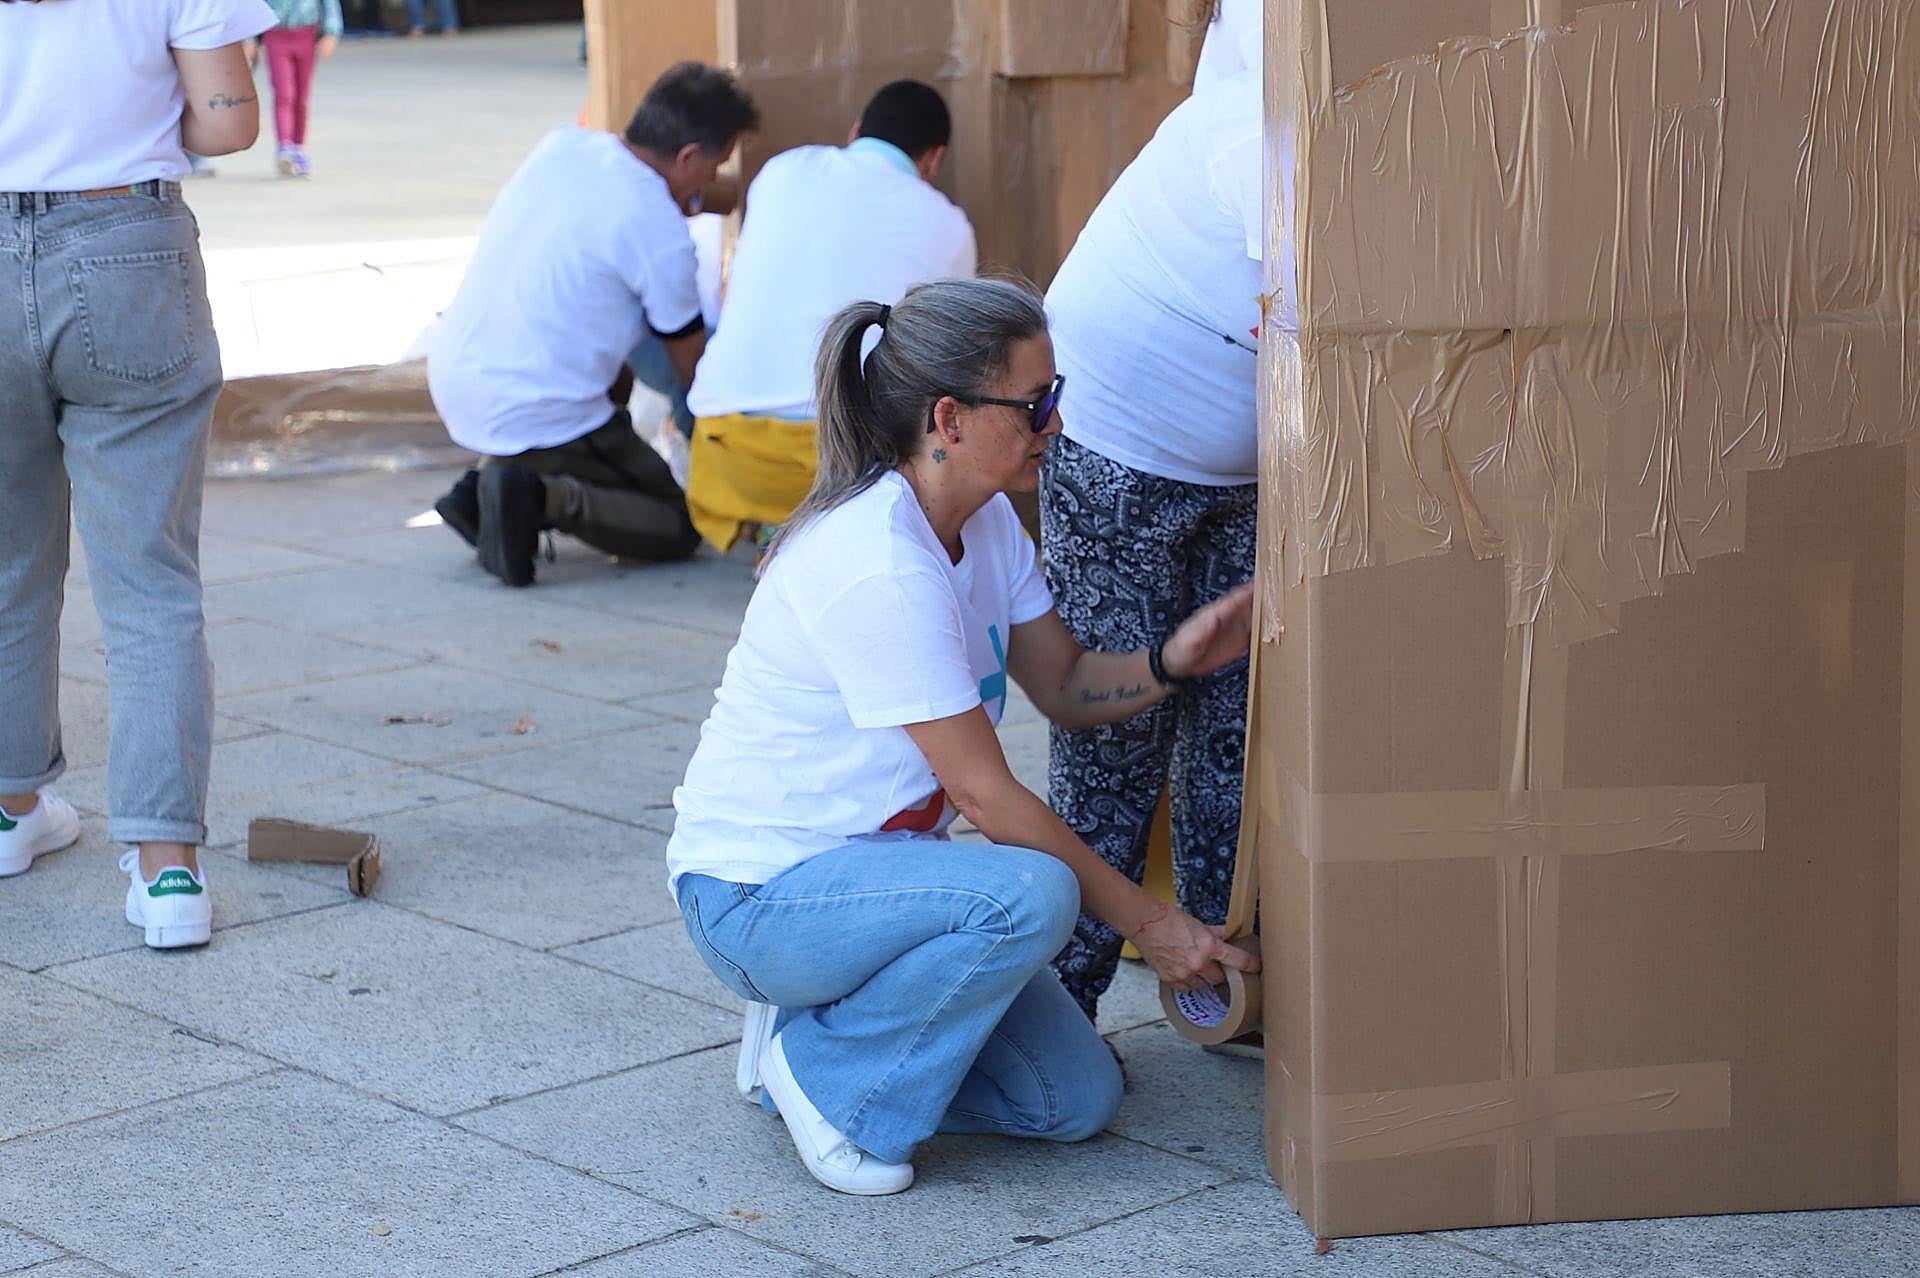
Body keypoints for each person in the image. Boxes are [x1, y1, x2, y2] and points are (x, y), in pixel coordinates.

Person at [667, 278, 1261, 1195]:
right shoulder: (878, 563)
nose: (1056, 424)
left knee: (1072, 1099)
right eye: (1036, 404)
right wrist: (1154, 924)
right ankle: (830, 1084)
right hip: (759, 896)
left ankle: (810, 1037)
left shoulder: (982, 524)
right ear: (948, 417)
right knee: (1028, 893)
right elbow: (986, 798)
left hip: (876, 885)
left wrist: (1172, 662)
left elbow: (1065, 685)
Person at [0, 0, 275, 947]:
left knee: (6, 562)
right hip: (126, 243)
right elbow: (228, 123)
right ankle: (169, 876)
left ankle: (10, 810)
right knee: (150, 582)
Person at [1039, 67, 1283, 1020]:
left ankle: (1221, 986)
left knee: (1237, 732)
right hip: (1120, 441)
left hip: (1254, 468)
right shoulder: (1264, 108)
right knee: (1117, 739)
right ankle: (1063, 1009)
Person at [427, 63, 758, 586]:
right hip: (538, 406)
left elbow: (649, 201)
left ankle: (483, 493)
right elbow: (693, 369)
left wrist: (694, 195)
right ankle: (540, 497)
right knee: (677, 524)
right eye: (714, 167)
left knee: (616, 364)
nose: (712, 181)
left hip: (456, 375)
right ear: (689, 156)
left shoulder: (564, 146)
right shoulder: (660, 233)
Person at [683, 79, 976, 554]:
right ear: (934, 159)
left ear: (856, 130)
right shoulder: (950, 225)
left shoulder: (781, 170)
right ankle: (819, 529)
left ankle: (782, 528)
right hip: (847, 466)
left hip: (730, 454)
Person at [259, 0, 342, 177]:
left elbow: (330, 5)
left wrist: (332, 33)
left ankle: (298, 148)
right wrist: (248, 38)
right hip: (276, 34)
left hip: (306, 35)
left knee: (301, 98)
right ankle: (285, 146)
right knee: (284, 94)